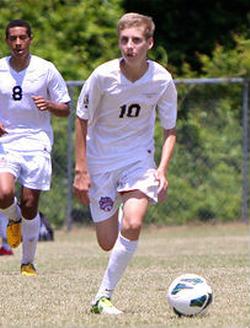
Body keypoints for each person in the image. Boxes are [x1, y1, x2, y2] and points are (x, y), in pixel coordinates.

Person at [73, 12, 177, 314]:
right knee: (107, 242)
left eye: (136, 40)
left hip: (138, 159)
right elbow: (81, 120)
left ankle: (102, 296)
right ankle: (117, 207)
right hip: (101, 160)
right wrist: (82, 170)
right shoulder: (103, 76)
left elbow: (170, 130)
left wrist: (162, 169)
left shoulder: (161, 79)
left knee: (133, 223)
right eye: (124, 40)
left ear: (149, 43)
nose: (129, 46)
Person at [0, 19, 70, 276]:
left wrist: (49, 105)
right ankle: (13, 217)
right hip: (6, 143)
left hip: (37, 141)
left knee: (30, 203)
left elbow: (65, 108)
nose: (18, 43)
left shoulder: (46, 69)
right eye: (13, 38)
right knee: (3, 193)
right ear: (7, 41)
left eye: (22, 38)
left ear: (30, 39)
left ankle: (27, 262)